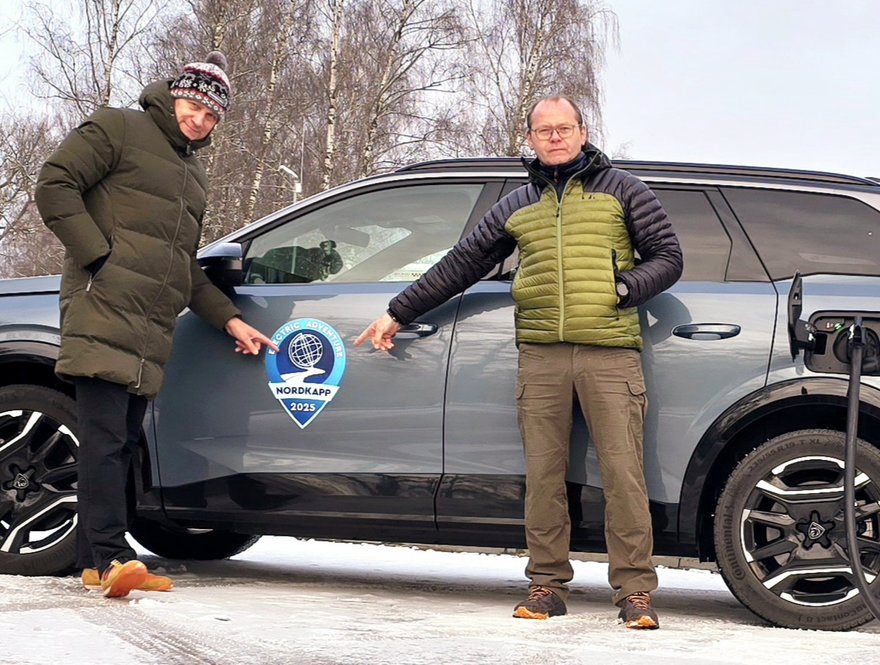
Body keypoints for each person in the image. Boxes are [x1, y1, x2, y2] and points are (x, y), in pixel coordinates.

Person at [355, 95, 683, 629]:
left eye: (564, 128)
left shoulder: (623, 189)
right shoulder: (518, 204)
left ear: (582, 132)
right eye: (543, 130)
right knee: (544, 475)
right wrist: (398, 312)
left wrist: (624, 288)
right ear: (530, 138)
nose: (554, 137)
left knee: (624, 474)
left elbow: (668, 256)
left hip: (609, 353)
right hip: (540, 354)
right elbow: (463, 263)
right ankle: (547, 584)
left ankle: (635, 592)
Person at [35, 51, 277, 598]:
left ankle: (95, 562)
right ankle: (112, 555)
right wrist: (99, 256)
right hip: (103, 305)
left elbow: (182, 266)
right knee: (103, 441)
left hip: (150, 325)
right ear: (175, 96)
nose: (200, 120)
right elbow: (54, 184)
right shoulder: (118, 127)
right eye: (195, 107)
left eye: (212, 116)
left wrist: (229, 320)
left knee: (122, 444)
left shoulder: (194, 174)